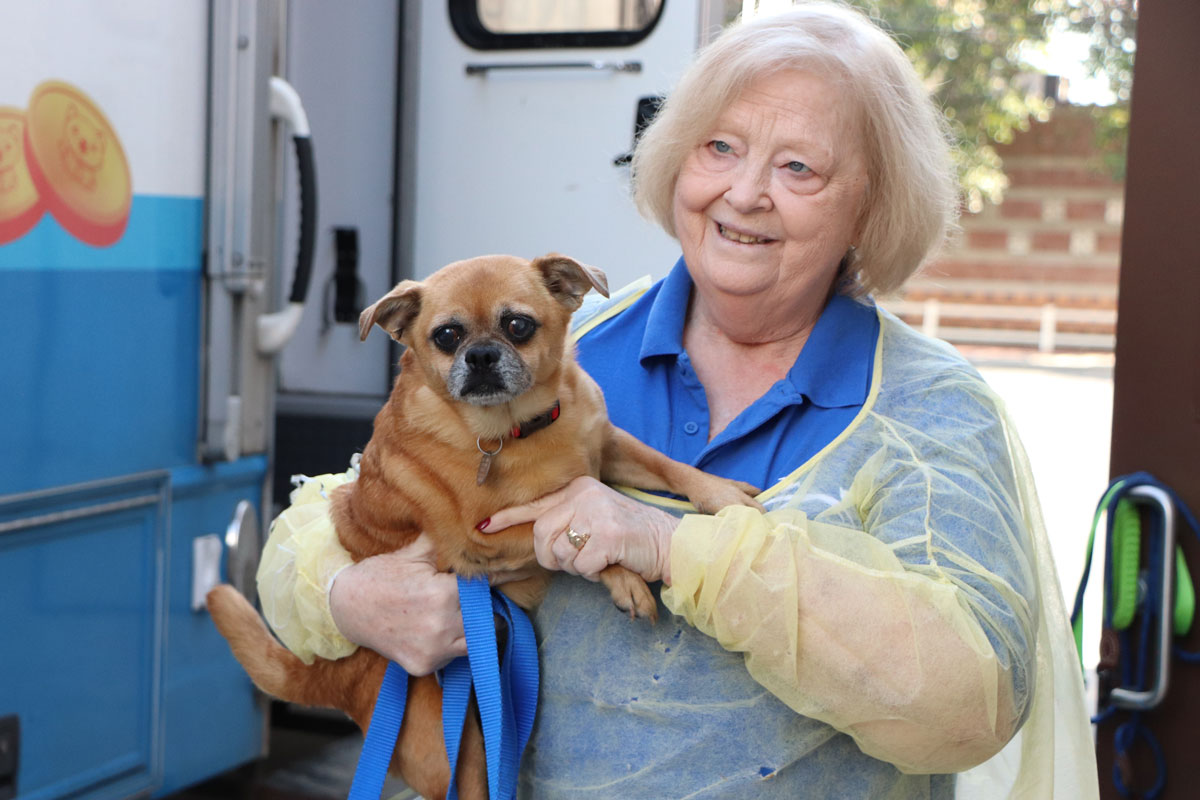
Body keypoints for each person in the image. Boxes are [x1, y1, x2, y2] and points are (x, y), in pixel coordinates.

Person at [255, 3, 1098, 797]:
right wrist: (348, 596)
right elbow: (353, 507)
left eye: (798, 166)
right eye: (719, 148)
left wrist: (673, 546)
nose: (743, 193)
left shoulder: (926, 408)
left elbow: (971, 697)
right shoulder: (574, 348)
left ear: (870, 209)